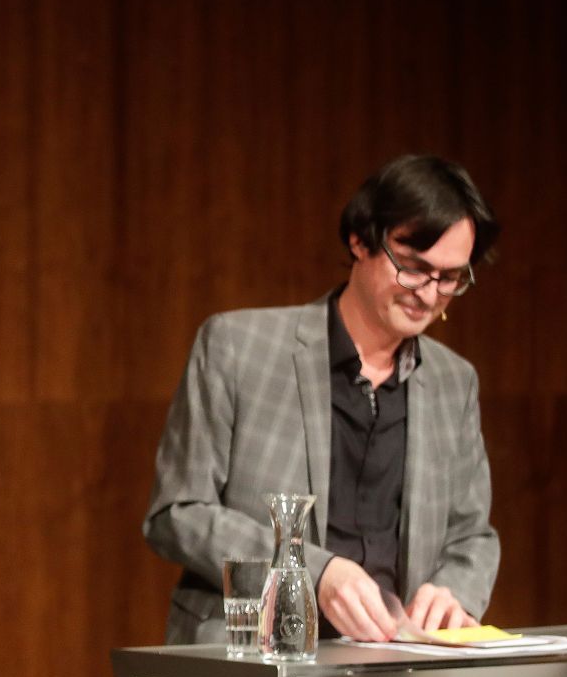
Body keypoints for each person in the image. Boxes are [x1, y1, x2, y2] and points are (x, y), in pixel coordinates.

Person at [144, 154, 501, 645]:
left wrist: (453, 592)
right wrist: (316, 570)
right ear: (360, 240)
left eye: (451, 278)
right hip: (251, 661)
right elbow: (177, 513)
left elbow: (472, 536)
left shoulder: (453, 381)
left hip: (395, 670)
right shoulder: (237, 346)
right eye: (414, 268)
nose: (429, 294)